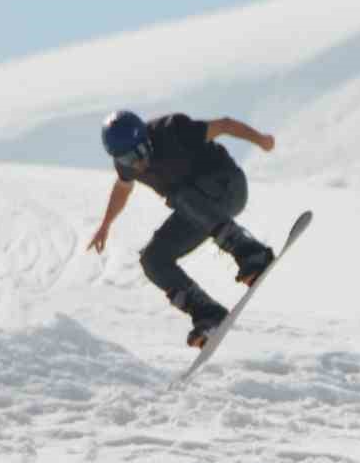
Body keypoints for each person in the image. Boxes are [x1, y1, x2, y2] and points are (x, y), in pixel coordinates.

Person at [88, 110, 278, 348]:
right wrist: (105, 224)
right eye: (127, 160)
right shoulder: (127, 166)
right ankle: (207, 313)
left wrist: (261, 140)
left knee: (180, 195)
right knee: (153, 259)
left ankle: (250, 252)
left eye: (139, 153)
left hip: (228, 187)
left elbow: (225, 125)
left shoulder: (173, 130)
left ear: (147, 138)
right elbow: (122, 188)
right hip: (196, 212)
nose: (137, 162)